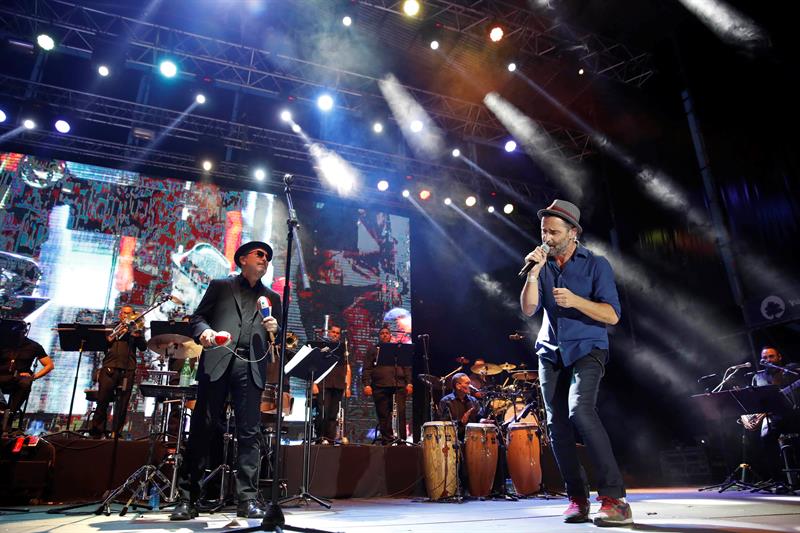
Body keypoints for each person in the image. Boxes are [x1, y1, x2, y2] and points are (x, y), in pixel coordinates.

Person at [519, 199, 631, 527]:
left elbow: (612, 314)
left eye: (554, 232)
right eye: (544, 231)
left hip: (587, 348)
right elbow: (528, 309)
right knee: (556, 425)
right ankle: (577, 499)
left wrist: (576, 301)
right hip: (550, 351)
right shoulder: (543, 265)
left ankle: (614, 499)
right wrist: (533, 273)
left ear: (573, 233)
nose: (547, 238)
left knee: (580, 412)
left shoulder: (596, 264)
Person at [171, 241, 282, 521]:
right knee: (203, 427)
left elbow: (277, 337)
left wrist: (276, 329)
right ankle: (187, 498)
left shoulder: (271, 297)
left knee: (249, 432)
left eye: (268, 257)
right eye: (259, 254)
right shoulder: (221, 286)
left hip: (251, 365)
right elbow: (198, 318)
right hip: (218, 359)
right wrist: (205, 333)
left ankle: (248, 499)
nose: (265, 259)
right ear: (242, 259)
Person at [89, 305, 147, 438]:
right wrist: (118, 332)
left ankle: (116, 433)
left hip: (128, 369)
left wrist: (137, 335)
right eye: (125, 313)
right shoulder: (111, 327)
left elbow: (143, 347)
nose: (127, 316)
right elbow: (104, 344)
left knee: (122, 403)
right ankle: (97, 431)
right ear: (120, 315)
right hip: (110, 366)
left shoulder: (136, 329)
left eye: (130, 313)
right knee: (102, 400)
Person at [745, 346, 800, 482]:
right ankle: (778, 480)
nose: (768, 360)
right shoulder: (758, 377)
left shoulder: (791, 370)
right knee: (766, 438)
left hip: (794, 414)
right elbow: (754, 400)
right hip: (773, 418)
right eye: (764, 358)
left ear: (779, 357)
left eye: (771, 356)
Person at [0, 319, 54, 432]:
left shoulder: (33, 346)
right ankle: (2, 408)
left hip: (19, 378)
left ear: (24, 332)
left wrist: (34, 376)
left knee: (25, 383)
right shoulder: (3, 343)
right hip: (2, 375)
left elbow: (49, 365)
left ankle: (10, 415)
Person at [363, 326, 413, 444]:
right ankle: (387, 440)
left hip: (398, 385)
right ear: (379, 336)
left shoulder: (398, 349)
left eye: (386, 333)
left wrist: (409, 383)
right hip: (379, 386)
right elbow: (367, 368)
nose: (384, 335)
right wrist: (366, 384)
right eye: (382, 333)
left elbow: (406, 367)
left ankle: (401, 440)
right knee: (383, 414)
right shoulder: (373, 350)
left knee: (400, 413)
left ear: (390, 335)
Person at [313, 324, 351, 443]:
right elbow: (313, 366)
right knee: (323, 412)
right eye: (333, 332)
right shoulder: (321, 347)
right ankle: (320, 437)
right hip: (323, 384)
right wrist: (313, 383)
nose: (335, 334)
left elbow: (347, 368)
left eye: (337, 333)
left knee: (333, 414)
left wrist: (348, 387)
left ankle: (330, 439)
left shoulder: (343, 348)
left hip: (338, 384)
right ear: (329, 332)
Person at [438, 373, 481, 441]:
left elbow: (478, 417)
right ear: (458, 386)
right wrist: (461, 422)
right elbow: (442, 424)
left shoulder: (473, 400)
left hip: (473, 439)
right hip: (452, 439)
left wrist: (482, 420)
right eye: (467, 383)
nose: (471, 386)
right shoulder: (446, 401)